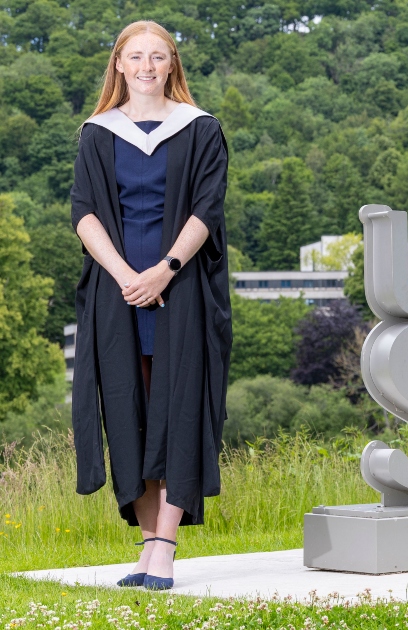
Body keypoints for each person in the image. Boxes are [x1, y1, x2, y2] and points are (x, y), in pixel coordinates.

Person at [70, 20, 231, 591]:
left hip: (181, 290)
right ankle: (146, 547)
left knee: (177, 411)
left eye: (157, 57)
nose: (145, 66)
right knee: (129, 413)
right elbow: (85, 212)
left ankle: (164, 548)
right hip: (117, 296)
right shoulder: (97, 133)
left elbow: (206, 209)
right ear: (118, 64)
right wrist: (125, 278)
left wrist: (164, 270)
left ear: (172, 66)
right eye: (134, 56)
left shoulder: (200, 130)